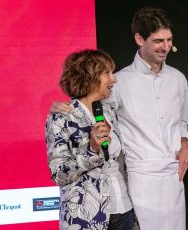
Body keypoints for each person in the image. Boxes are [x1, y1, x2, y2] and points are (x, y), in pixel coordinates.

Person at [50, 7, 188, 230]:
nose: (166, 47)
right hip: (137, 182)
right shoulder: (121, 82)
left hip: (171, 177)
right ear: (139, 39)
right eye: (158, 41)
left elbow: (183, 122)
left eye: (169, 40)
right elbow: (86, 104)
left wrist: (185, 142)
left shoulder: (178, 79)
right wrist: (60, 105)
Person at [45, 49, 134, 230]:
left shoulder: (109, 111)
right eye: (107, 73)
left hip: (123, 209)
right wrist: (92, 151)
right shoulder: (62, 117)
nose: (114, 79)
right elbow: (58, 174)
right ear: (90, 76)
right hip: (85, 217)